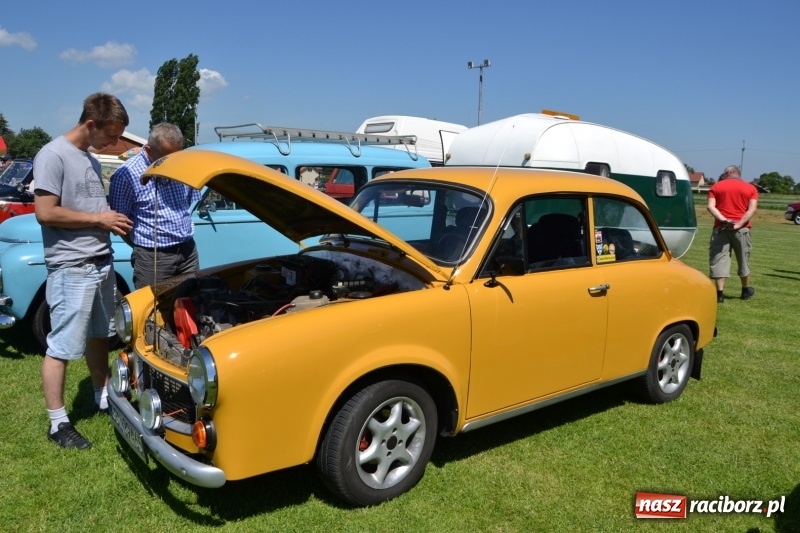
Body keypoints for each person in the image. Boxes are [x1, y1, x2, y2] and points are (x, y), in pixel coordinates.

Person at [33, 93, 133, 449]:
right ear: (91, 124)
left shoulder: (90, 157)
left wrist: (112, 221)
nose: (114, 143)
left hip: (100, 262)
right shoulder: (52, 155)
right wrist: (97, 218)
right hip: (72, 266)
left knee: (99, 336)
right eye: (110, 135)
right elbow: (45, 212)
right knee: (61, 346)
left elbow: (89, 206)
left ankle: (102, 396)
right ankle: (58, 424)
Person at [108, 123, 200, 289]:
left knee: (191, 304)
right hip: (153, 258)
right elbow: (121, 224)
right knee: (153, 309)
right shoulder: (126, 174)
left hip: (188, 252)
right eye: (165, 157)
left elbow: (186, 205)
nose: (172, 162)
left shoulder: (184, 165)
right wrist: (144, 247)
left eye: (176, 156)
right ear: (150, 150)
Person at [707, 165, 758, 304]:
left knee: (719, 259)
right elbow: (752, 210)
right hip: (742, 230)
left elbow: (710, 206)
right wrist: (739, 224)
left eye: (724, 174)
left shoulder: (716, 187)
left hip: (720, 229)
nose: (722, 176)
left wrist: (724, 221)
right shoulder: (751, 188)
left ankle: (720, 294)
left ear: (729, 172)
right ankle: (745, 290)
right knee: (743, 259)